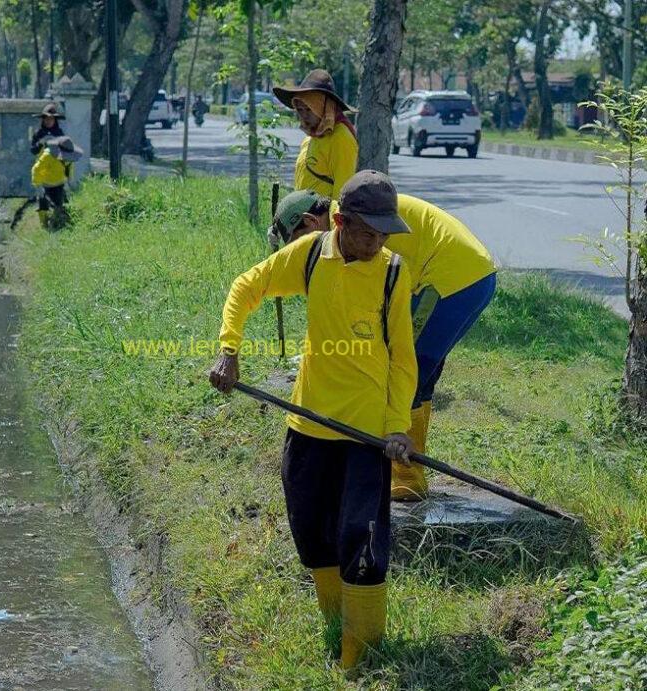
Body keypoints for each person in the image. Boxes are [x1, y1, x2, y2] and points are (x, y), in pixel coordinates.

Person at [210, 170, 417, 668]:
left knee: (360, 536)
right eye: (368, 231)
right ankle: (336, 625)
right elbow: (247, 286)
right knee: (311, 530)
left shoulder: (392, 271)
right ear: (340, 222)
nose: (377, 241)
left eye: (385, 232)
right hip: (308, 425)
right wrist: (228, 349)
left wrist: (395, 426)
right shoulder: (308, 256)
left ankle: (359, 655)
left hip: (366, 433)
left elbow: (403, 356)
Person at [277, 187, 497, 501]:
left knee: (404, 374)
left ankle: (405, 480)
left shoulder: (353, 223)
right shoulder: (352, 217)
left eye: (297, 242)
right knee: (421, 376)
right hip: (472, 277)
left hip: (451, 279)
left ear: (312, 222)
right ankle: (407, 477)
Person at [273, 69, 358, 199]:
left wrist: (334, 219)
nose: (304, 115)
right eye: (300, 109)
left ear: (323, 108)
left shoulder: (341, 138)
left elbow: (342, 193)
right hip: (304, 217)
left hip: (324, 217)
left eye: (309, 109)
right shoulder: (310, 138)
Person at [31, 136, 83, 230]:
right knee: (43, 206)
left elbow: (69, 172)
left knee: (60, 205)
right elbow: (36, 169)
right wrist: (38, 186)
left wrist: (72, 185)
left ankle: (58, 225)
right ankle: (44, 227)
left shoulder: (70, 158)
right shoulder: (48, 156)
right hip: (45, 184)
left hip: (59, 184)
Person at [266, 189, 331, 248]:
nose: (300, 250)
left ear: (310, 220)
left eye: (300, 244)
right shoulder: (335, 230)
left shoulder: (339, 241)